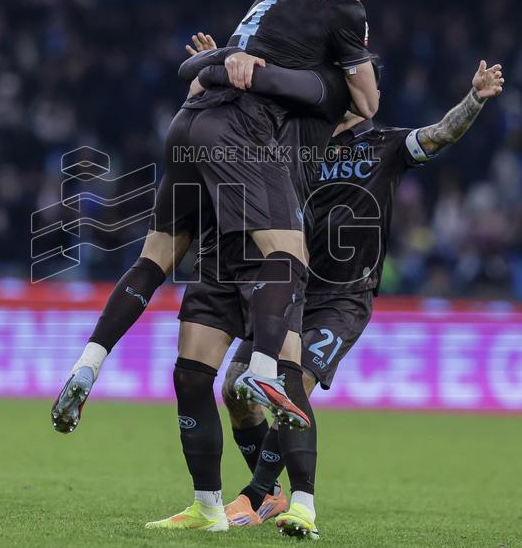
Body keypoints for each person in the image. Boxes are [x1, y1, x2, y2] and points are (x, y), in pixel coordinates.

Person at [55, 0, 383, 440]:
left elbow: (209, 69)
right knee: (290, 256)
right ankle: (263, 371)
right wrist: (250, 66)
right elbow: (367, 103)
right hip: (234, 132)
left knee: (154, 259)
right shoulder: (344, 12)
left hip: (188, 121)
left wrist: (222, 58)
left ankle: (88, 363)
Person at [177, 47, 504, 536]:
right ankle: (271, 493)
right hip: (289, 291)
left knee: (292, 387)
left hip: (343, 299)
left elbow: (440, 134)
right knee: (236, 390)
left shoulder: (387, 146)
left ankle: (259, 495)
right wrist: (218, 70)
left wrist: (474, 99)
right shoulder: (296, 142)